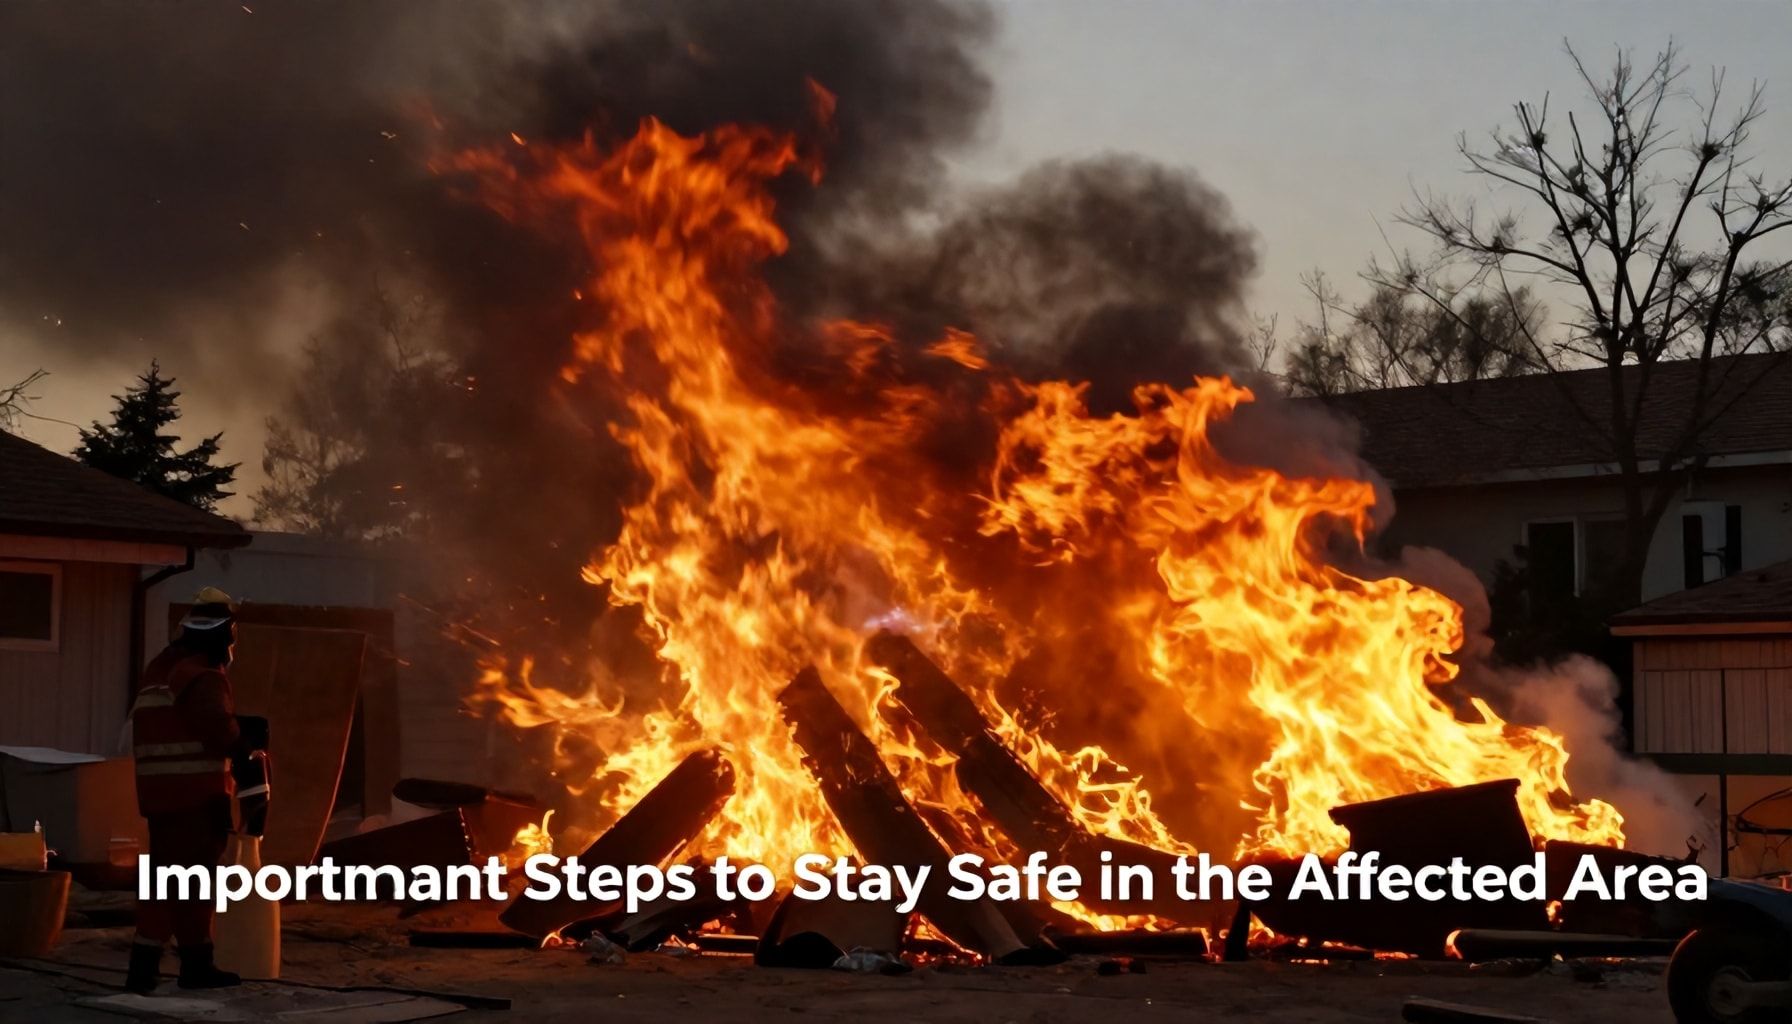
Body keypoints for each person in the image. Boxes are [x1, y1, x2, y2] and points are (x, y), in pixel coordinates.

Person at [125, 587, 245, 994]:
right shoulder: (203, 676)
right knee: (190, 883)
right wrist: (246, 746)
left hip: (162, 799)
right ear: (221, 633)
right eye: (231, 634)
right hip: (196, 798)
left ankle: (174, 965)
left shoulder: (161, 669)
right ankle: (169, 969)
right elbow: (218, 729)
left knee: (174, 881)